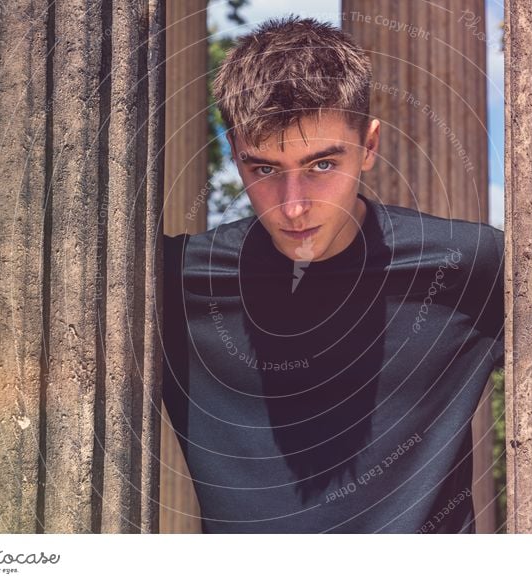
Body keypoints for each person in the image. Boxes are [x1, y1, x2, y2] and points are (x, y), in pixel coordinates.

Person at [162, 15, 504, 533]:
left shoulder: (470, 266)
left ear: (368, 146)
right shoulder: (172, 283)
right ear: (235, 156)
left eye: (322, 165)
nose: (293, 207)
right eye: (265, 170)